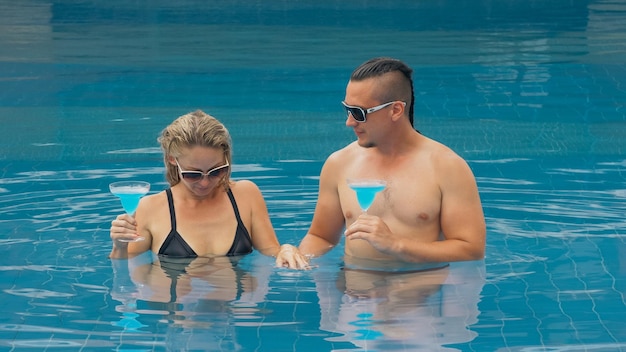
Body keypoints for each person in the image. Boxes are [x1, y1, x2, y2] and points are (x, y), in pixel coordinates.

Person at [298, 57, 486, 267]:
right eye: (347, 109)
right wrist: (300, 258)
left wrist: (397, 245)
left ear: (396, 110)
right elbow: (321, 237)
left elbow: (471, 249)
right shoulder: (339, 164)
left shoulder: (447, 167)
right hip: (355, 294)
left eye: (359, 113)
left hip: (418, 293)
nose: (349, 122)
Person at [109, 110, 309, 269]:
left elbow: (271, 252)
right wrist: (119, 245)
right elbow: (125, 271)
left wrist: (287, 249)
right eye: (193, 174)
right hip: (180, 311)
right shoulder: (152, 207)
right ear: (173, 159)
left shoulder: (246, 195)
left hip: (236, 312)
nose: (205, 182)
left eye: (216, 171)